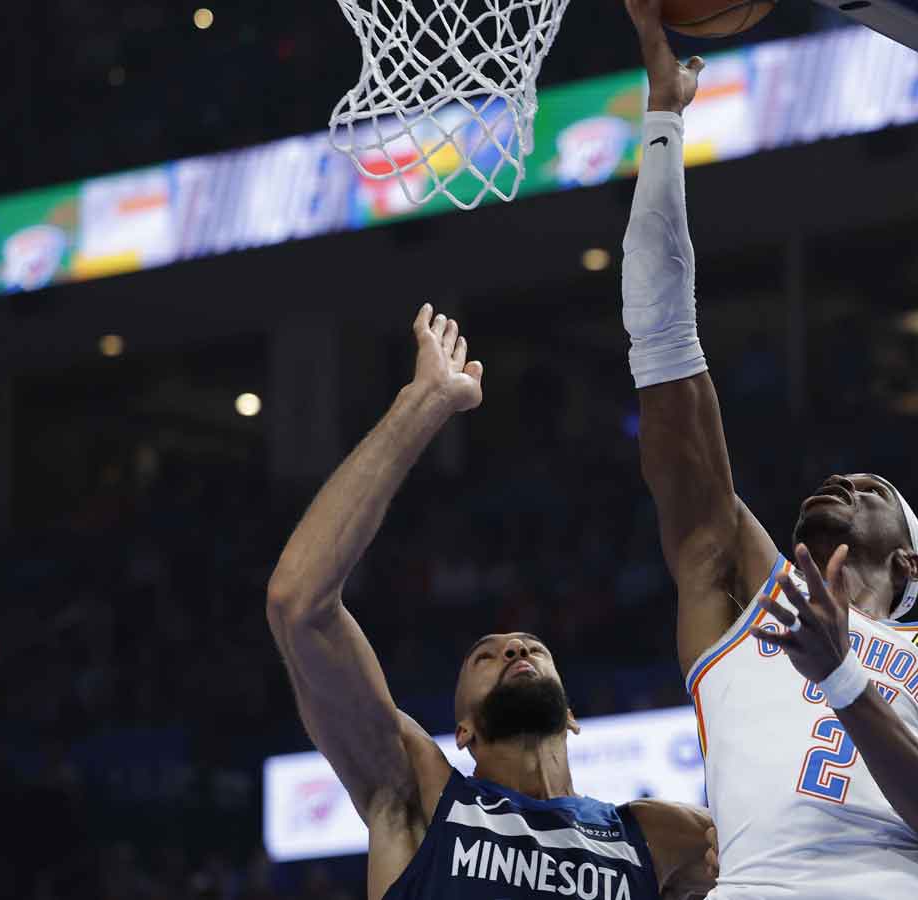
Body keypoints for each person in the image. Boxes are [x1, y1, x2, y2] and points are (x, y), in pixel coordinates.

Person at [616, 2, 918, 898]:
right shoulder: (738, 592)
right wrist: (665, 121)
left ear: (908, 559)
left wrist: (838, 669)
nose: (843, 479)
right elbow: (665, 349)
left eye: (872, 487)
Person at [266, 305, 717, 900]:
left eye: (530, 648)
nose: (514, 646)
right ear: (464, 731)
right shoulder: (418, 797)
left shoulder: (661, 839)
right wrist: (422, 403)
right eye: (485, 656)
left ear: (573, 716)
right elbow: (298, 604)